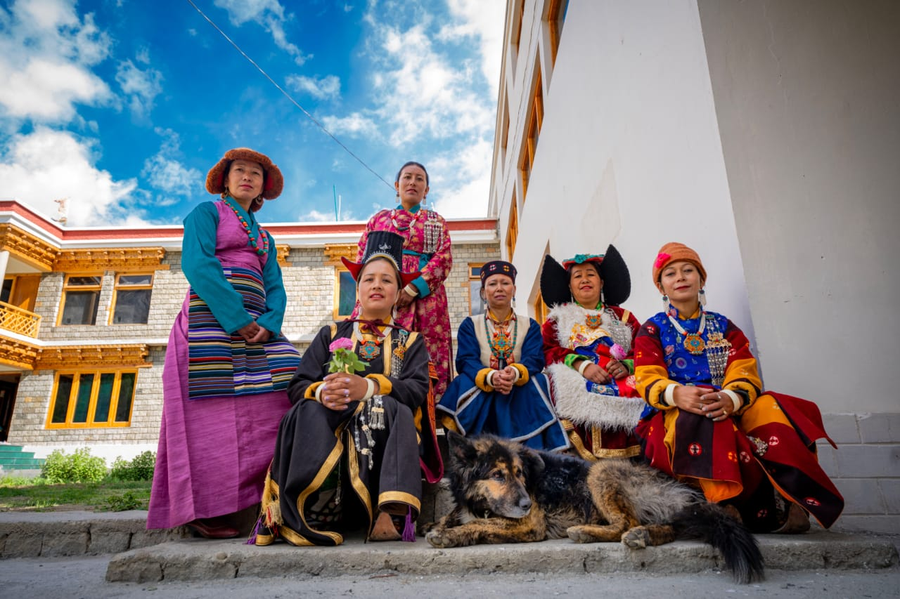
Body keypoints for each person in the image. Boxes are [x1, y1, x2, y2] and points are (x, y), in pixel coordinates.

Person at [634, 242, 844, 532]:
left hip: (727, 404)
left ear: (701, 279)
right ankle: (720, 504)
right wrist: (677, 394)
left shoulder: (724, 326)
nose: (680, 277)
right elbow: (646, 376)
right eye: (670, 273)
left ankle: (790, 500)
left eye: (688, 270)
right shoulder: (652, 329)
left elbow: (744, 369)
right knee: (702, 414)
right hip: (672, 412)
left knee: (774, 405)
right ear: (661, 287)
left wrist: (731, 398)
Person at [253, 231, 443, 547]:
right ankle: (314, 505)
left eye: (386, 280)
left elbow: (415, 389)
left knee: (389, 405)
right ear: (358, 289)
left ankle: (389, 510)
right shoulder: (330, 333)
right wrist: (321, 392)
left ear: (398, 293)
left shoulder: (409, 341)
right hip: (331, 420)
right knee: (308, 407)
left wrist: (368, 387)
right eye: (369, 280)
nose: (377, 285)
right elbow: (298, 385)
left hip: (382, 427)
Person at [148, 148, 300, 538]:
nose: (247, 177)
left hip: (260, 332)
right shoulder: (206, 214)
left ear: (264, 187)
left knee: (288, 390)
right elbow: (197, 265)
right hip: (209, 323)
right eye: (239, 171)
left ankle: (265, 496)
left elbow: (275, 287)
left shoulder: (265, 236)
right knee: (208, 417)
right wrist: (236, 319)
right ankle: (201, 509)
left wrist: (268, 323)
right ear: (226, 179)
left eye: (255, 173)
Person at [437, 261, 569, 451]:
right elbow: (466, 360)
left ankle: (532, 448)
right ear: (483, 292)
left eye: (505, 283)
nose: (499, 288)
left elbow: (534, 358)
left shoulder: (529, 325)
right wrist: (491, 376)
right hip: (482, 385)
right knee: (462, 382)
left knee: (539, 380)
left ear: (514, 290)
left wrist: (514, 373)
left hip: (518, 384)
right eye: (492, 284)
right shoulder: (470, 324)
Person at [354, 162, 453, 399]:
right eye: (407, 177)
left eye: (419, 179)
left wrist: (413, 288)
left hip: (425, 299)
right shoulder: (378, 220)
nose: (412, 182)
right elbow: (361, 258)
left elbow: (444, 258)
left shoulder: (436, 221)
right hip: (383, 294)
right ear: (397, 186)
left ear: (426, 189)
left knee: (427, 353)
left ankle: (429, 409)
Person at [540, 245, 645, 460]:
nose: (584, 279)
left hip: (621, 375)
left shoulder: (623, 317)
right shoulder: (557, 318)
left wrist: (627, 365)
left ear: (602, 282)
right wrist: (582, 365)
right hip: (576, 376)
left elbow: (644, 348)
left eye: (591, 274)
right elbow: (547, 349)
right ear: (569, 285)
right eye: (577, 276)